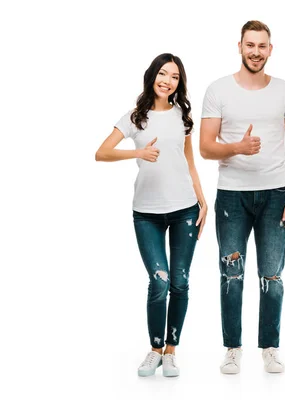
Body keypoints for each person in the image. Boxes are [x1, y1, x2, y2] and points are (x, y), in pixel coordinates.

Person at [199, 20, 285, 374]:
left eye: (262, 46)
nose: (256, 52)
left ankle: (270, 347)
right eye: (250, 45)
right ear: (240, 46)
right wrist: (237, 148)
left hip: (276, 194)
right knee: (231, 273)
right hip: (232, 196)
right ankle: (232, 348)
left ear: (270, 49)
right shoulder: (218, 90)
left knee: (272, 275)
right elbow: (205, 147)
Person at [95, 53, 207, 377]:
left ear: (179, 83)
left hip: (184, 209)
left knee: (180, 282)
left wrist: (203, 201)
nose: (167, 81)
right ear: (152, 76)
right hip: (146, 213)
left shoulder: (183, 115)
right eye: (162, 73)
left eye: (174, 76)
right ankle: (154, 348)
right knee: (159, 281)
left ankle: (171, 351)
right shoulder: (135, 117)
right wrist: (138, 152)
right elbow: (101, 152)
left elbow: (189, 161)